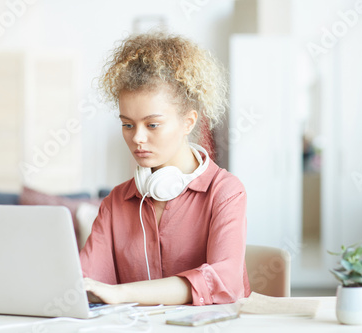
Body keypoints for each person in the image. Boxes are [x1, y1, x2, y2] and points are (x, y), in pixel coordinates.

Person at [79, 31, 250, 306]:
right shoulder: (116, 203)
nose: (137, 138)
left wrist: (124, 293)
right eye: (127, 124)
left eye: (152, 124)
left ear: (188, 122)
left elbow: (225, 282)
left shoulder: (225, 192)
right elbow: (85, 282)